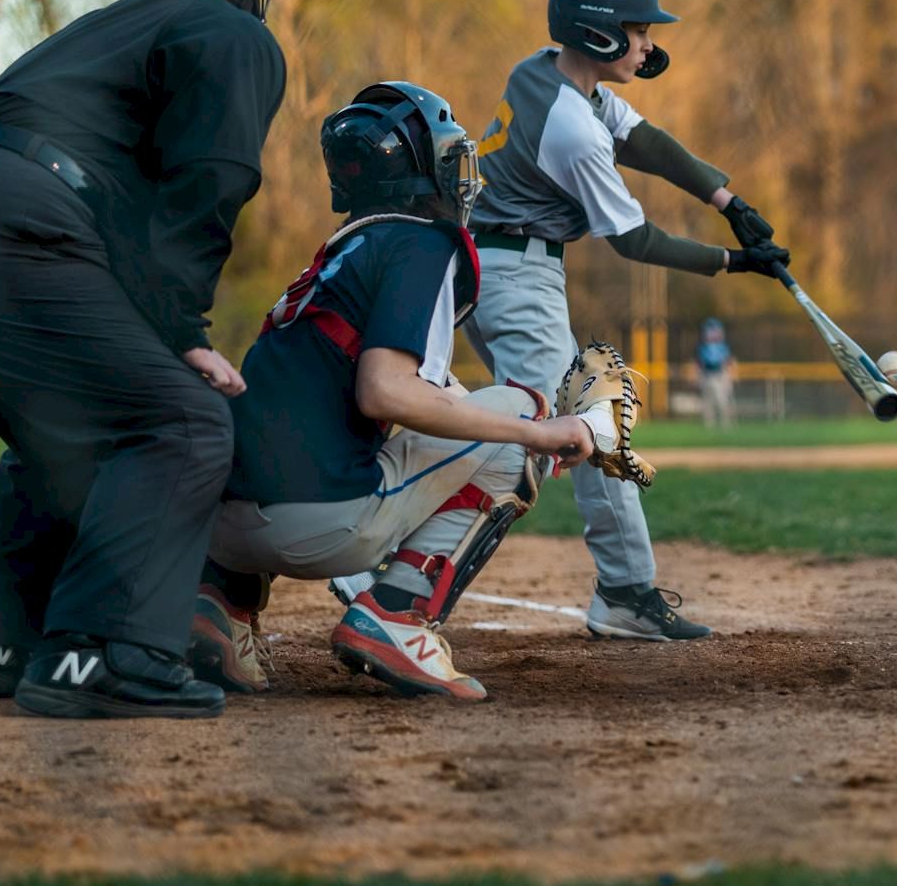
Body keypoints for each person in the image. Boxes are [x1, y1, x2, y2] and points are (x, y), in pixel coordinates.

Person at [0, 0, 286, 719]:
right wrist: (183, 329)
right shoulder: (227, 30)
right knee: (182, 421)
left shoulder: (95, 31)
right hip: (11, 223)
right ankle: (100, 653)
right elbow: (209, 180)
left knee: (77, 416)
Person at [188, 83, 604, 702]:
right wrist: (544, 432)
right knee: (520, 415)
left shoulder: (343, 251)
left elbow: (409, 388)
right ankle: (399, 618)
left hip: (220, 526)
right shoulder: (421, 241)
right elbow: (385, 391)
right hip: (314, 526)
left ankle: (219, 604)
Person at [456, 0, 789, 641]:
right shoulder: (571, 129)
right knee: (564, 434)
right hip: (515, 275)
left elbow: (647, 141)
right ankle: (388, 571)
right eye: (638, 31)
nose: (648, 45)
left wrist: (729, 201)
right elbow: (634, 241)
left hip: (499, 263)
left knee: (556, 427)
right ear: (600, 35)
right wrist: (731, 263)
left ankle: (625, 589)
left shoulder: (548, 72)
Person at [695, 318, 738, 428]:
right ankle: (710, 425)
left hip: (720, 375)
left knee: (722, 401)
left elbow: (729, 362)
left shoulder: (723, 347)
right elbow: (699, 364)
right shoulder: (702, 348)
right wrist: (697, 376)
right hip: (707, 375)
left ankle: (726, 424)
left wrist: (732, 374)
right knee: (708, 403)